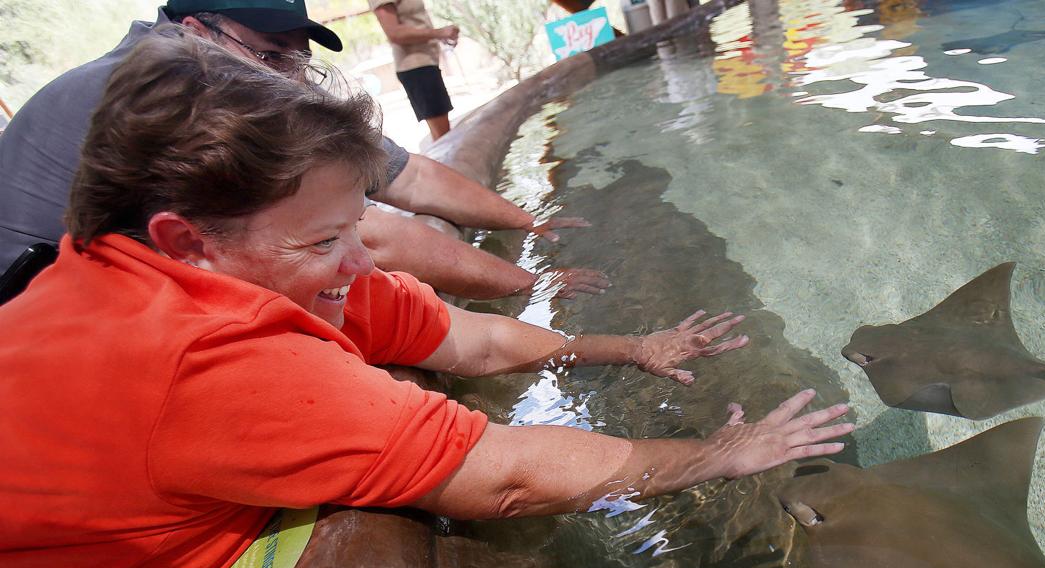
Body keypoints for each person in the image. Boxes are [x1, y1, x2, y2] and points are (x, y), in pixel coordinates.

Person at [0, 32, 853, 568]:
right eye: (325, 241)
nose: (362, 257)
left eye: (355, 224)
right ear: (187, 239)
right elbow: (505, 476)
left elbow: (467, 342)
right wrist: (717, 454)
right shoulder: (208, 357)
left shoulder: (168, 273)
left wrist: (626, 346)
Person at [0, 0, 602, 306]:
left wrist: (530, 222)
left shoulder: (214, 67)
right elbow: (369, 233)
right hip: (31, 311)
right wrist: (532, 286)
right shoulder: (185, 87)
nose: (289, 77)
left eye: (297, 58)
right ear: (194, 28)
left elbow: (405, 174)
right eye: (271, 54)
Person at [369, 0, 458, 141]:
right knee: (444, 138)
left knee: (442, 135)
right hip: (416, 67)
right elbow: (395, 33)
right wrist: (439, 33)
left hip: (427, 62)